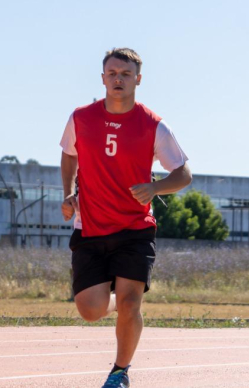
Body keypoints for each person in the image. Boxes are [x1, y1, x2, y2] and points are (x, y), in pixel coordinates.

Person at [59, 47, 191, 388]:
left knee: (131, 304)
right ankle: (120, 302)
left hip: (135, 228)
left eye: (126, 74)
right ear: (103, 78)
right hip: (89, 227)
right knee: (90, 310)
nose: (119, 79)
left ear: (138, 79)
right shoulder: (81, 118)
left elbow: (183, 175)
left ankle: (120, 372)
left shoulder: (153, 125)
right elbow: (68, 155)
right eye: (113, 73)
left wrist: (155, 187)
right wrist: (68, 194)